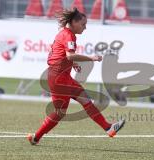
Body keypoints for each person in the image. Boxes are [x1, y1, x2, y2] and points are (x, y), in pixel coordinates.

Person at [27, 8, 125, 145]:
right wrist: (91, 58)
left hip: (55, 76)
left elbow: (61, 56)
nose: (85, 28)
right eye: (83, 24)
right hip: (60, 77)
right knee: (83, 100)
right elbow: (70, 55)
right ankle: (108, 128)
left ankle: (35, 138)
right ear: (73, 22)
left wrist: (72, 64)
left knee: (59, 113)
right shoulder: (69, 35)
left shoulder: (63, 33)